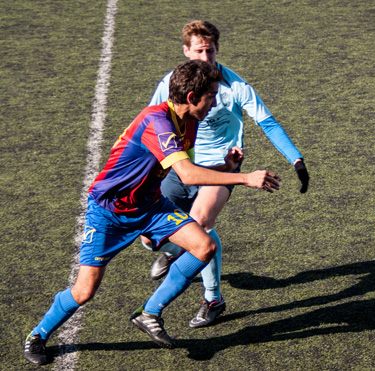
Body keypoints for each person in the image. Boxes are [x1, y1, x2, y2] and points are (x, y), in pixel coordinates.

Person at [23, 60, 281, 365]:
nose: (215, 100)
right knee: (84, 290)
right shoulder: (156, 122)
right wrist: (244, 177)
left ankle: (149, 313)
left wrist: (223, 168)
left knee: (204, 246)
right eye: (210, 95)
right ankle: (37, 335)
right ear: (191, 97)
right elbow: (186, 174)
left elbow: (181, 167)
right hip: (109, 211)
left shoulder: (190, 122)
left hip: (149, 206)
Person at [143, 20, 309, 328]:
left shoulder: (236, 86)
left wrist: (296, 159)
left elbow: (268, 123)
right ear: (185, 51)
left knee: (200, 224)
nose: (205, 58)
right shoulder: (172, 83)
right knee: (148, 234)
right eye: (199, 51)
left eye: (211, 51)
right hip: (179, 166)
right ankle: (172, 248)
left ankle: (213, 298)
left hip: (222, 168)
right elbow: (150, 122)